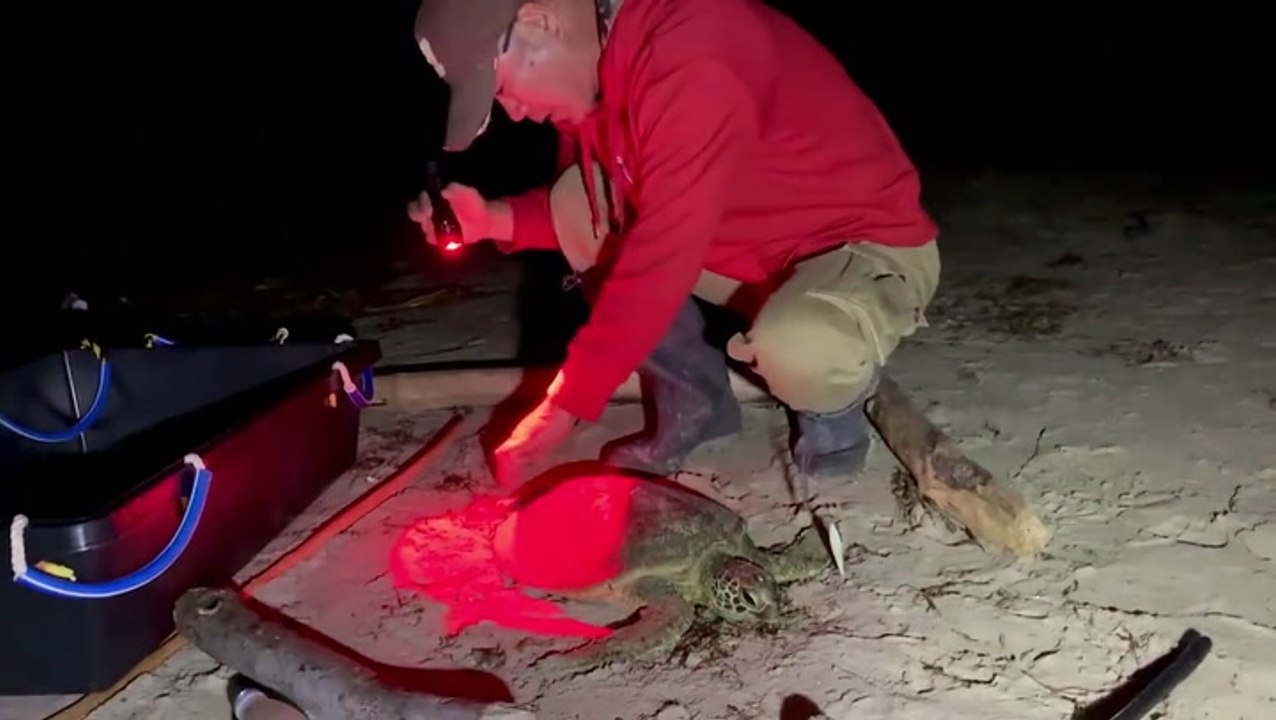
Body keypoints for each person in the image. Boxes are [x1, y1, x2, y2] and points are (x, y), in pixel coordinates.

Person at [408, 0, 940, 492]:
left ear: (539, 20)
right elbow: (600, 214)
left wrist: (565, 403)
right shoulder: (602, 79)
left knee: (800, 344)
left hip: (858, 248)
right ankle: (697, 405)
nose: (516, 113)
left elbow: (662, 254)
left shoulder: (691, 49)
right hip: (750, 262)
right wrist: (491, 219)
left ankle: (832, 412)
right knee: (576, 195)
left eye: (502, 89)